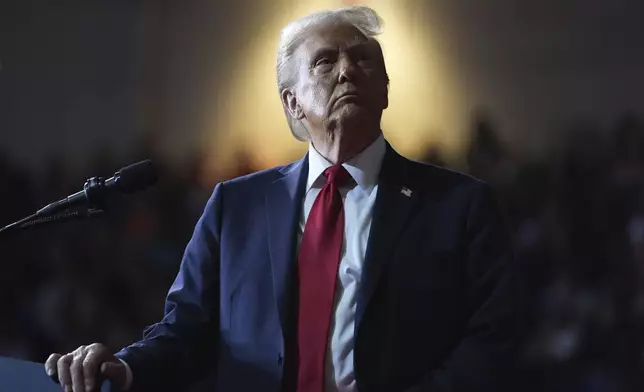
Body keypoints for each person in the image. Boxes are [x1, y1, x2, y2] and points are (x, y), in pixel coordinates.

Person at [45, 6, 521, 392]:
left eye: (363, 60)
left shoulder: (459, 206)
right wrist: (123, 368)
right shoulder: (236, 206)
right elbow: (186, 328)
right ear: (292, 102)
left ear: (385, 91)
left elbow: (492, 343)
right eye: (325, 62)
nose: (347, 71)